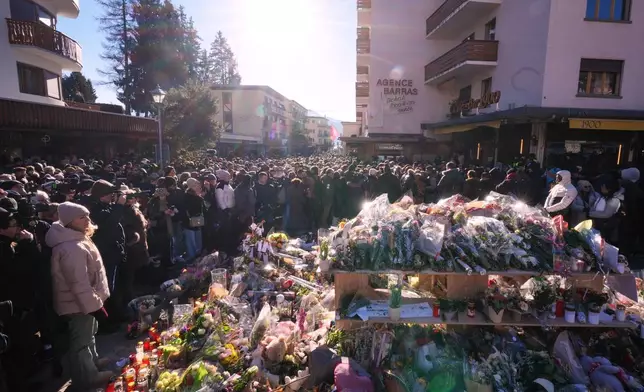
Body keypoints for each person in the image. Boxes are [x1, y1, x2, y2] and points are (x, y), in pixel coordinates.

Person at [45, 202, 113, 391]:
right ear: (69, 221)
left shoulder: (77, 238)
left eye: (87, 216)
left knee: (89, 333)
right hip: (77, 304)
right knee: (81, 341)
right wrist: (94, 306)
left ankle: (93, 363)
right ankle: (87, 377)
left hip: (86, 300)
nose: (87, 221)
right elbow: (78, 283)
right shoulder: (70, 247)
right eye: (82, 217)